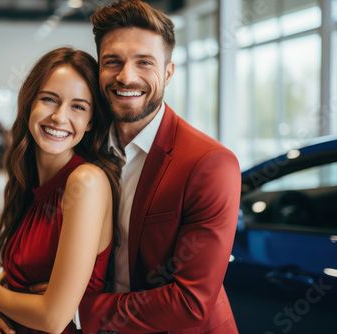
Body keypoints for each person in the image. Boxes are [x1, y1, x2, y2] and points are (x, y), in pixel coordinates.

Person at [71, 0, 241, 332]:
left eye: (144, 62)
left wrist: (68, 310)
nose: (126, 76)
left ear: (168, 73)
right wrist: (3, 298)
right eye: (113, 61)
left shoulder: (210, 166)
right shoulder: (83, 144)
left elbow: (189, 303)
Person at [0, 47, 120, 334]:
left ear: (91, 121)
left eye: (78, 106)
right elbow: (23, 275)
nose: (59, 117)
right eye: (49, 99)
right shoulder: (31, 182)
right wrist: (0, 306)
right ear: (29, 103)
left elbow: (53, 319)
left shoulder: (85, 182)